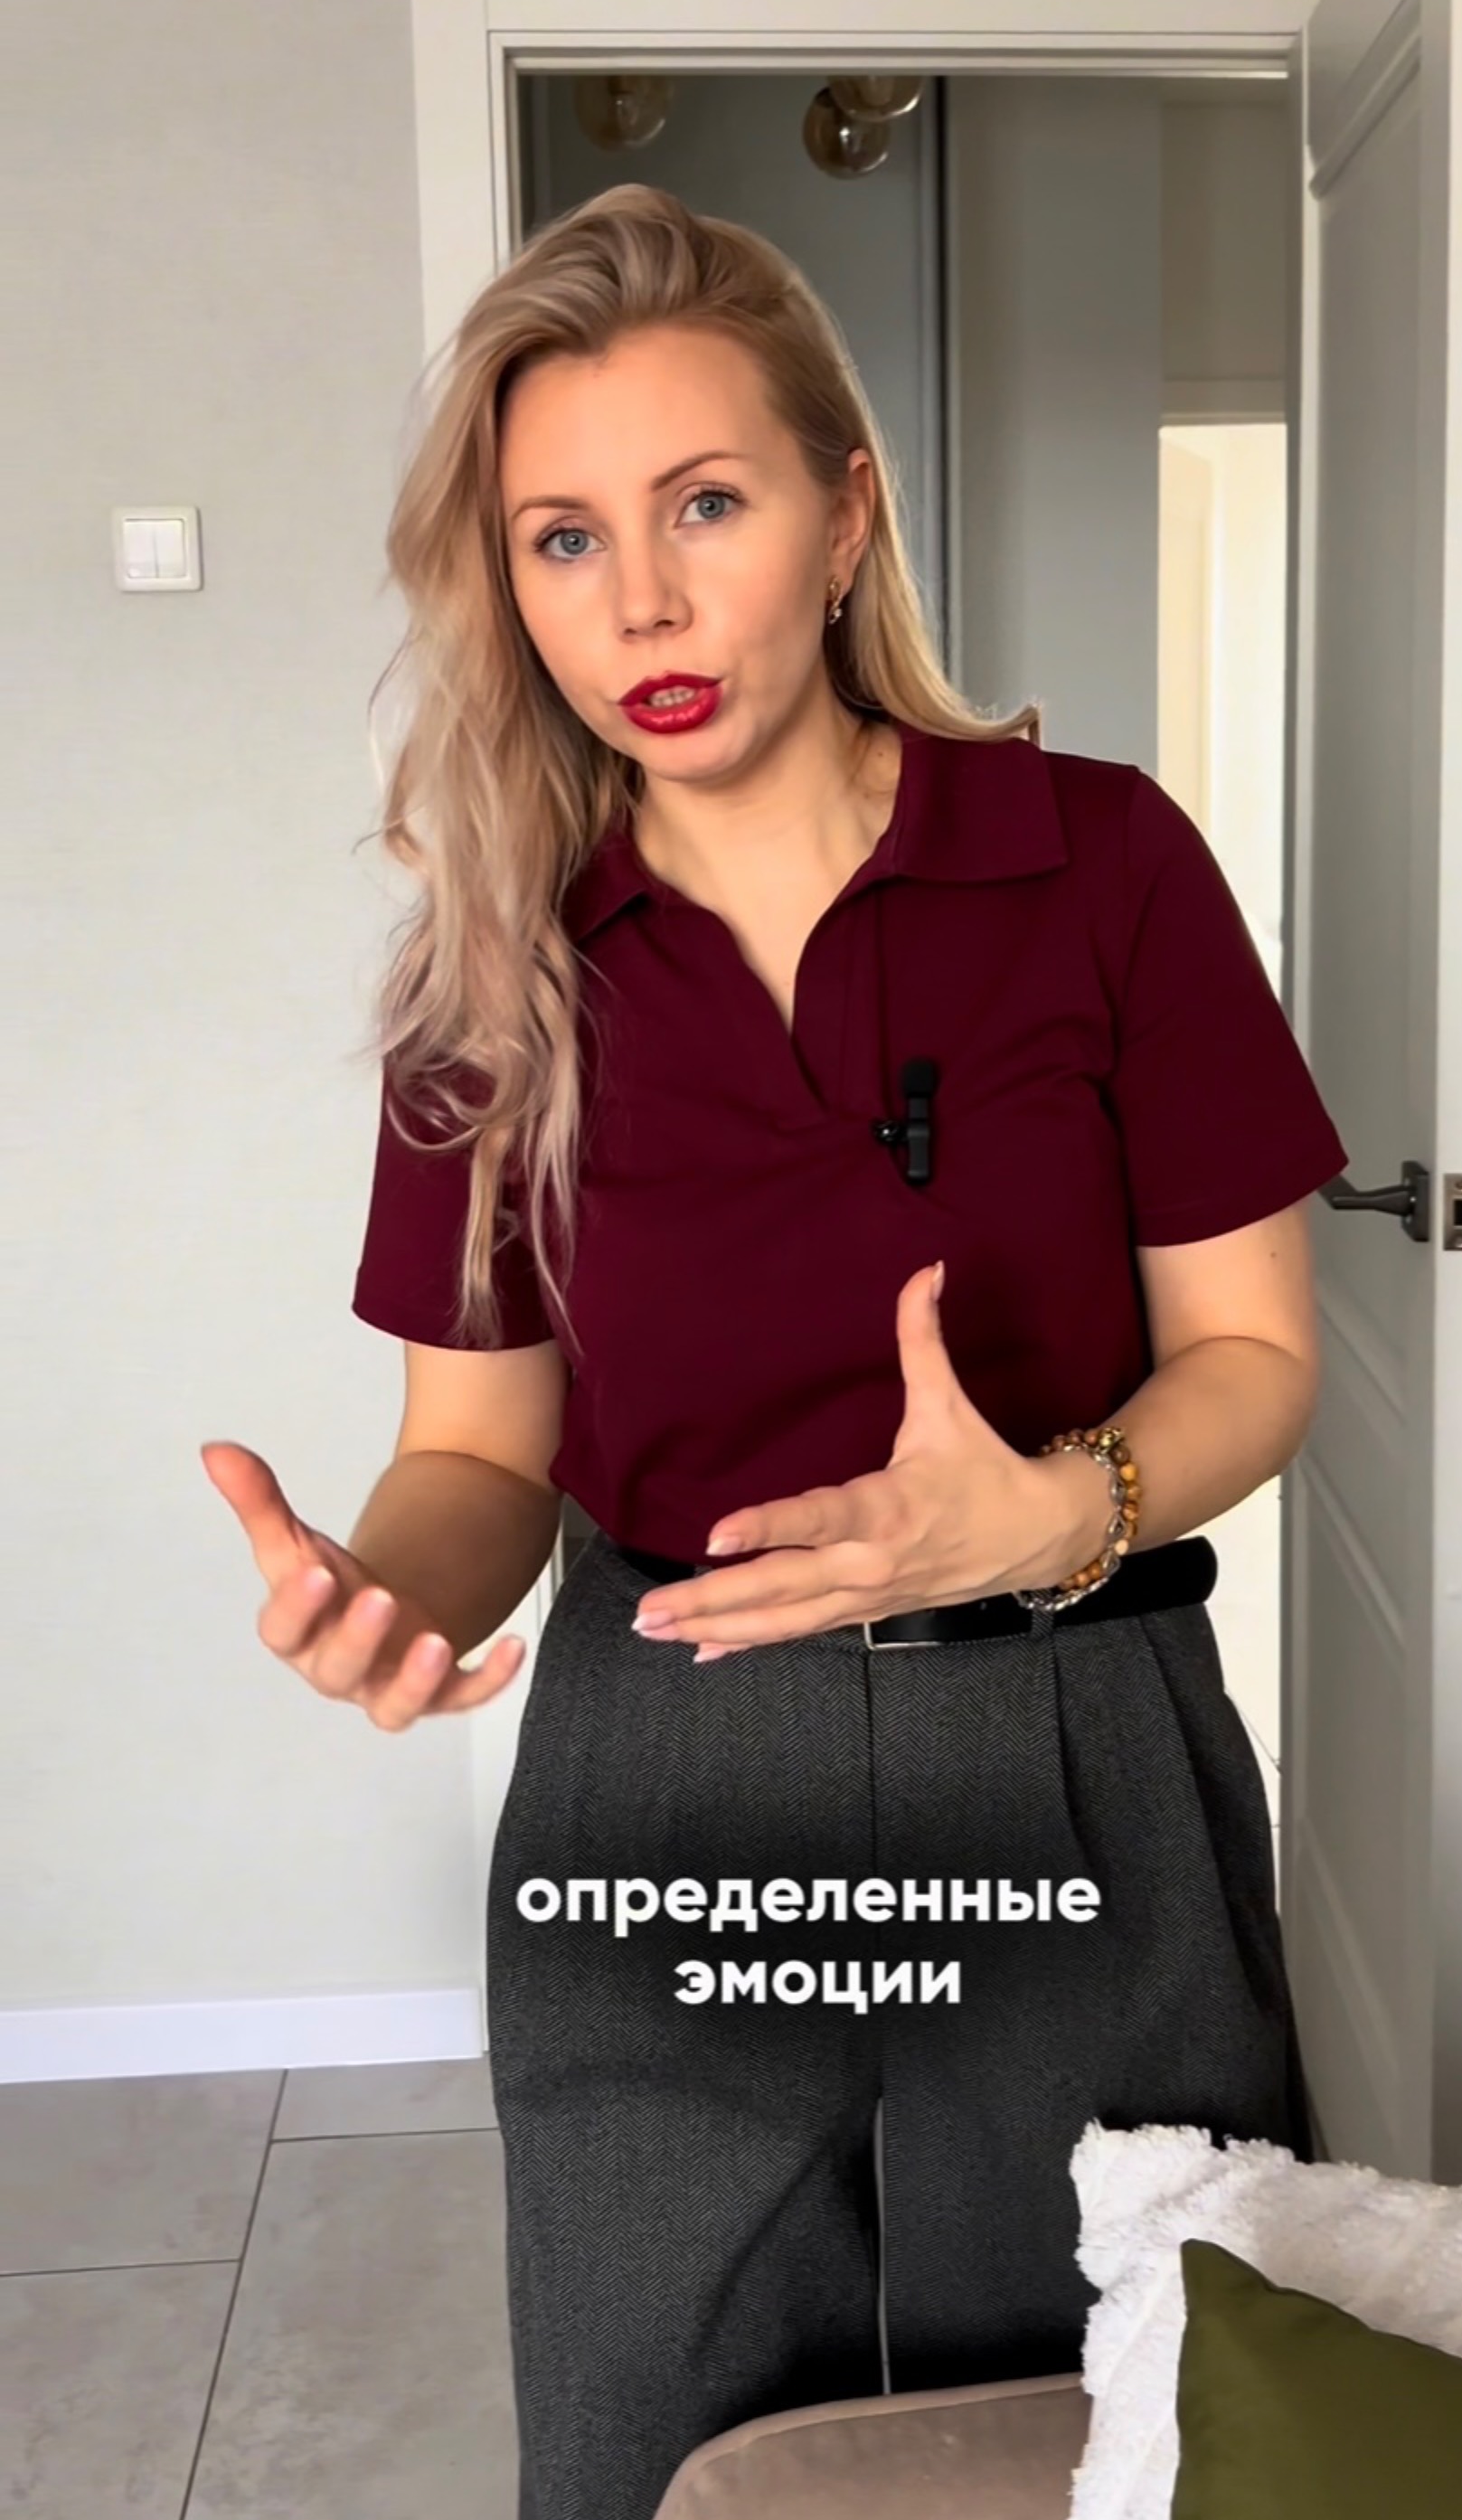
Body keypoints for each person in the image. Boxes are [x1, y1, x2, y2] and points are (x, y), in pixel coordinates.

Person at [201, 182, 1349, 2520]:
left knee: (1143, 2427)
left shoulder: (1105, 864)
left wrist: (1063, 1508)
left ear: (845, 517)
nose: (638, 601)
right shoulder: (495, 974)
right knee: (664, 2436)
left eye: (703, 505)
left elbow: (1251, 1347)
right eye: (562, 539)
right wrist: (393, 1588)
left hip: (1073, 1739)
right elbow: (480, 1452)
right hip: (673, 1770)